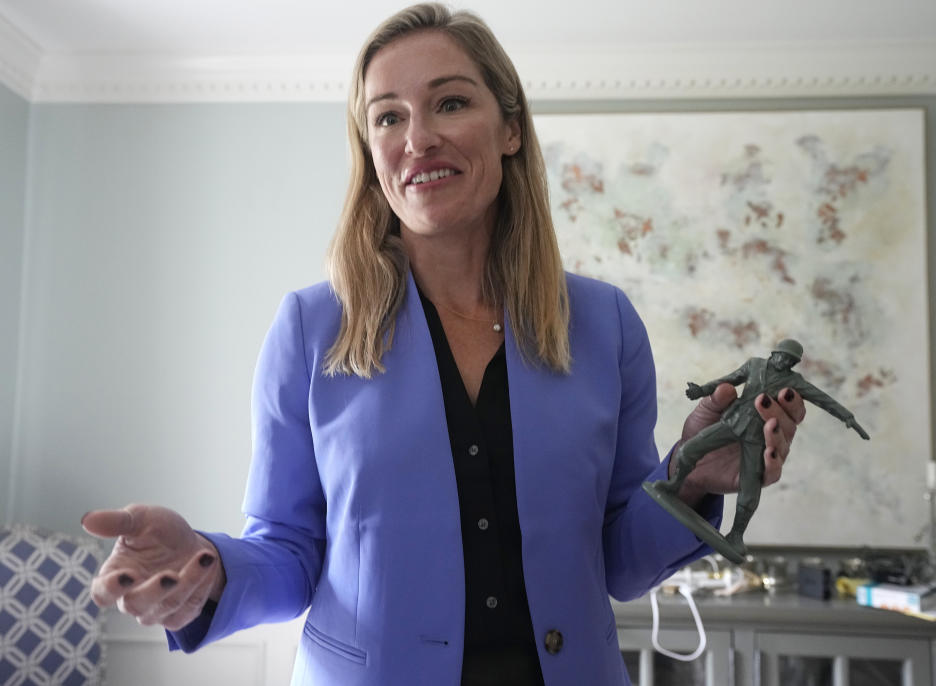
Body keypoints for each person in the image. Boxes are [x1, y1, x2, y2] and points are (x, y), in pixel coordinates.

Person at [81, 4, 805, 685]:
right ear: (371, 151)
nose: (417, 137)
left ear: (510, 127)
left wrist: (691, 482)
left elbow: (616, 559)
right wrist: (207, 569)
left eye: (450, 103)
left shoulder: (604, 322)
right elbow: (288, 550)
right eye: (387, 117)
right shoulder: (310, 328)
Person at [653, 338, 868, 557]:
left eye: (790, 360)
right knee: (689, 449)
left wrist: (847, 417)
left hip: (758, 436)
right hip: (732, 421)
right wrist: (702, 390)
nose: (784, 361)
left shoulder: (795, 382)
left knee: (750, 486)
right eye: (782, 355)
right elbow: (728, 380)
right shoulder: (754, 365)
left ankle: (736, 534)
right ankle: (674, 485)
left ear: (794, 364)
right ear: (774, 353)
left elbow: (822, 398)